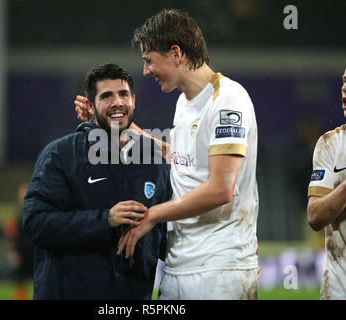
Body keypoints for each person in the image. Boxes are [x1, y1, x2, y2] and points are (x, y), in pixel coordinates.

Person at [76, 8, 259, 300]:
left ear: (175, 53)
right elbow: (174, 154)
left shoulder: (228, 101)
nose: (146, 71)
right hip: (180, 263)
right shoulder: (185, 104)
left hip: (218, 267)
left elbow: (222, 189)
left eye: (149, 60)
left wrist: (152, 215)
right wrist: (112, 120)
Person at [23, 63, 172, 299]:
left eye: (123, 94)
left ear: (133, 100)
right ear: (91, 107)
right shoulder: (61, 154)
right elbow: (36, 224)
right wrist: (106, 220)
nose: (117, 102)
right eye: (107, 96)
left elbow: (165, 235)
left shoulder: (153, 162)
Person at [307, 51, 346, 300]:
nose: (345, 87)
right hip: (342, 294)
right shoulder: (330, 144)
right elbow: (315, 217)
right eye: (344, 80)